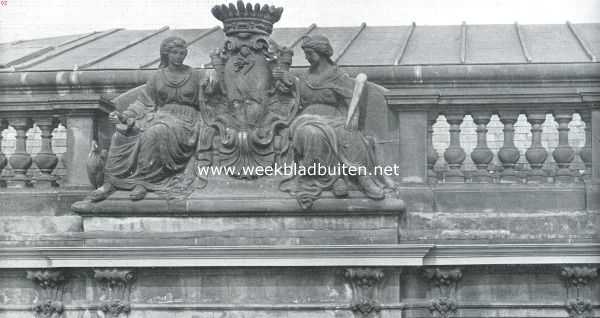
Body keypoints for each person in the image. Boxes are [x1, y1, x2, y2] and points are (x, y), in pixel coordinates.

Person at [88, 36, 211, 201]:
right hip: (159, 116)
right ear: (166, 54)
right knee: (121, 135)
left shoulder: (195, 75)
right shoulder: (157, 77)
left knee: (154, 133)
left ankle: (144, 181)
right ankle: (111, 182)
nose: (178, 56)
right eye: (174, 52)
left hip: (186, 121)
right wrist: (125, 116)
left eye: (182, 52)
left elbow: (208, 100)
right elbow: (142, 103)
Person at [276, 35, 393, 208]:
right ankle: (331, 179)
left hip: (334, 116)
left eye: (310, 53)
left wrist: (353, 118)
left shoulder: (338, 76)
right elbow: (294, 96)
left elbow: (352, 100)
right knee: (311, 134)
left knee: (349, 135)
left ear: (321, 53)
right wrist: (284, 81)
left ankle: (362, 177)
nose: (307, 57)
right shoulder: (304, 76)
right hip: (305, 119)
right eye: (306, 53)